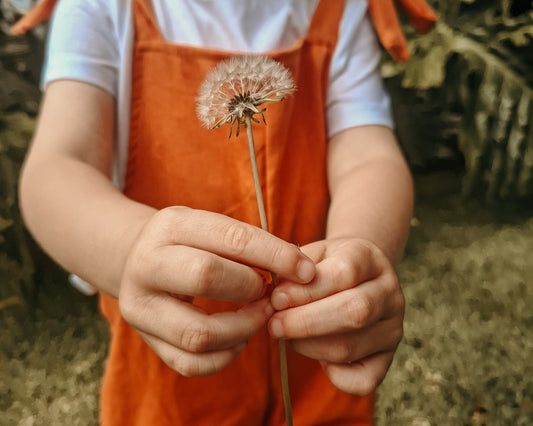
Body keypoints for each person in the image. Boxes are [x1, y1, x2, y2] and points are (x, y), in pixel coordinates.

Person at [17, 0, 435, 424]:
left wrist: (358, 252)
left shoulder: (342, 9)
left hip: (320, 342)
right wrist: (130, 249)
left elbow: (367, 154)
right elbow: (57, 169)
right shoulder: (98, 7)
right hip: (170, 365)